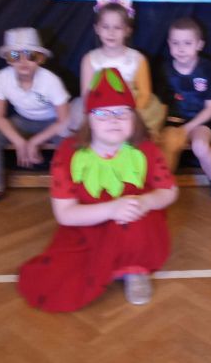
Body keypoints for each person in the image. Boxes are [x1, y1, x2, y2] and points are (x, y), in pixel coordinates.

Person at [18, 68, 178, 311]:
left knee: (135, 222)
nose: (114, 120)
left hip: (135, 223)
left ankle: (135, 268)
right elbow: (65, 214)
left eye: (122, 113)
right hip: (89, 224)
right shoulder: (68, 153)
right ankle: (110, 260)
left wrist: (145, 202)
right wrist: (112, 209)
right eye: (103, 114)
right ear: (89, 119)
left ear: (134, 118)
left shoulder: (145, 149)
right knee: (59, 280)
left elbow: (169, 190)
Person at [0, 28, 70, 210]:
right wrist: (19, 141)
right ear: (8, 59)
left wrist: (34, 142)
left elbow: (64, 120)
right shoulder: (2, 78)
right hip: (23, 119)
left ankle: (68, 185)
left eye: (30, 56)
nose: (23, 62)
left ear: (40, 58)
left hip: (52, 121)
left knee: (68, 140)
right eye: (15, 56)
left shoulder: (51, 81)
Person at [156, 17, 211, 208]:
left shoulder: (209, 69)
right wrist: (160, 130)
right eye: (175, 43)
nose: (181, 49)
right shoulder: (164, 69)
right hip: (173, 120)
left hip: (201, 121)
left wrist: (187, 128)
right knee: (167, 143)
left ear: (199, 45)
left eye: (187, 43)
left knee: (200, 145)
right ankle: (161, 190)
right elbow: (161, 105)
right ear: (169, 44)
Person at [76, 0, 165, 138]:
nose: (111, 33)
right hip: (100, 109)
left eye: (117, 27)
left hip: (132, 108)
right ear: (97, 29)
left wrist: (127, 115)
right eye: (105, 27)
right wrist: (100, 115)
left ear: (128, 30)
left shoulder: (138, 59)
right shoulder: (90, 59)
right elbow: (86, 95)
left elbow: (144, 94)